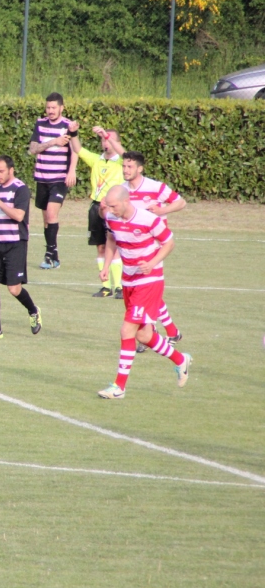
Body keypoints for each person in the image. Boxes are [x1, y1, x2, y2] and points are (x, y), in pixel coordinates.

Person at [97, 185, 191, 399]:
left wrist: (153, 262)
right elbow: (112, 240)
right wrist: (106, 266)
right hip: (129, 280)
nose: (110, 209)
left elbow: (169, 243)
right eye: (108, 206)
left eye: (113, 205)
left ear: (126, 201)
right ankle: (180, 360)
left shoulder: (149, 219)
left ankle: (119, 386)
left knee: (126, 331)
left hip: (149, 280)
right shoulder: (112, 218)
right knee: (143, 334)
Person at [122, 150, 187, 351]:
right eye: (123, 166)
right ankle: (171, 331)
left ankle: (149, 332)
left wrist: (162, 211)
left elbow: (181, 202)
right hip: (134, 249)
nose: (125, 169)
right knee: (149, 290)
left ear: (139, 169)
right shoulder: (121, 190)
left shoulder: (155, 187)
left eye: (129, 166)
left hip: (154, 248)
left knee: (147, 288)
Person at [0, 156, 42, 338]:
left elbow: (19, 216)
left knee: (14, 288)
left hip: (15, 245)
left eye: (1, 171)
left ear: (11, 170)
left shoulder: (21, 189)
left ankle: (33, 310)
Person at [70, 126, 125, 298]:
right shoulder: (97, 160)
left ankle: (119, 287)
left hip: (113, 209)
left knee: (114, 247)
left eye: (110, 140)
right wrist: (73, 133)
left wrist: (108, 135)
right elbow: (77, 149)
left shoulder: (121, 161)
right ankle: (106, 286)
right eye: (103, 140)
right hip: (96, 207)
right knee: (100, 246)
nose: (106, 143)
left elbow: (127, 155)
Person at [28, 92, 78, 269]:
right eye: (48, 107)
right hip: (42, 177)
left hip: (59, 178)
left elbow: (75, 150)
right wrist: (53, 142)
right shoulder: (40, 124)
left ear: (61, 108)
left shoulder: (68, 125)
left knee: (51, 213)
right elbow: (33, 149)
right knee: (46, 220)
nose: (50, 111)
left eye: (53, 108)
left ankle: (49, 255)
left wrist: (72, 171)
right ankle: (53, 255)